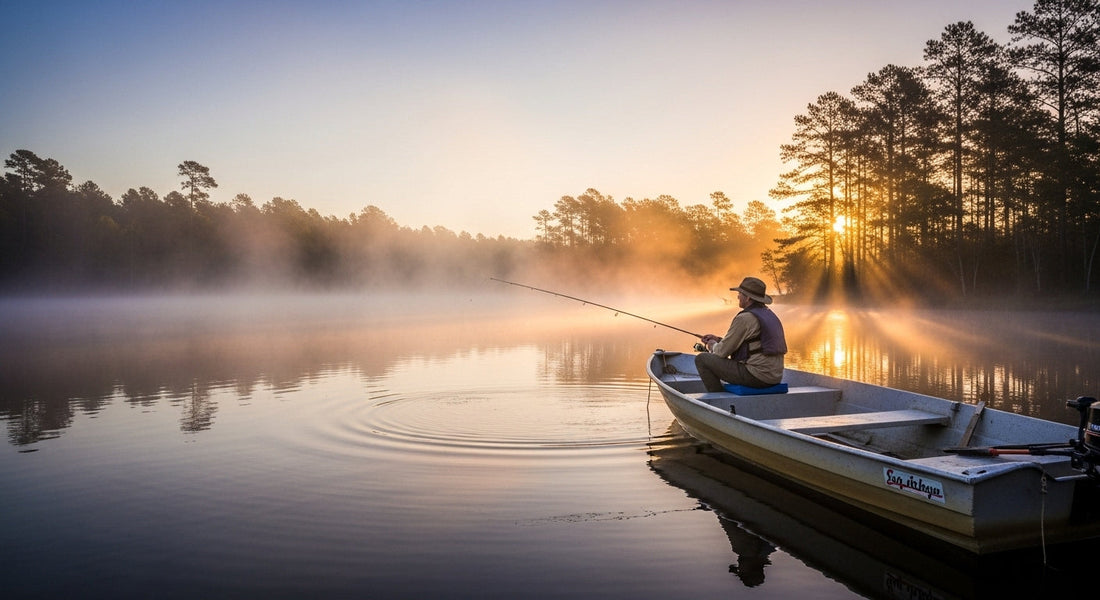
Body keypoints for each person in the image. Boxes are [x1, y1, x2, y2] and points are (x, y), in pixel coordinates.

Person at [694, 276, 787, 392]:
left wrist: (712, 344)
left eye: (740, 294)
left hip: (756, 377)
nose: (738, 296)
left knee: (702, 359)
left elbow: (721, 352)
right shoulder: (769, 314)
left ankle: (717, 397)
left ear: (747, 298)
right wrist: (718, 339)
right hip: (775, 377)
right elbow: (751, 344)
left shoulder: (744, 318)